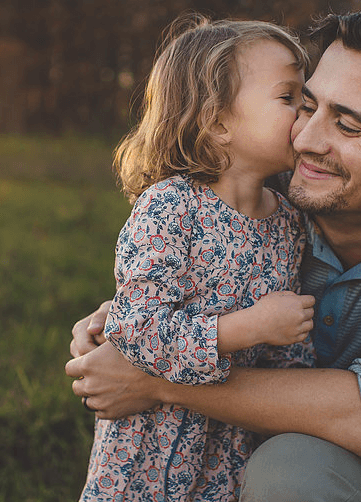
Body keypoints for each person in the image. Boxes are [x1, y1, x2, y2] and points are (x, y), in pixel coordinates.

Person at [67, 3, 361, 501]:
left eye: (351, 127)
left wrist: (160, 380)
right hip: (223, 466)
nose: (306, 139)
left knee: (292, 467)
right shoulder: (260, 189)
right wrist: (116, 321)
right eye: (306, 104)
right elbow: (176, 287)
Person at [76, 16, 317, 502]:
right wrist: (250, 327)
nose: (307, 115)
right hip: (152, 442)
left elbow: (284, 347)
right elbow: (138, 332)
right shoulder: (169, 206)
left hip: (231, 437)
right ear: (218, 122)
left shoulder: (289, 221)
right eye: (288, 98)